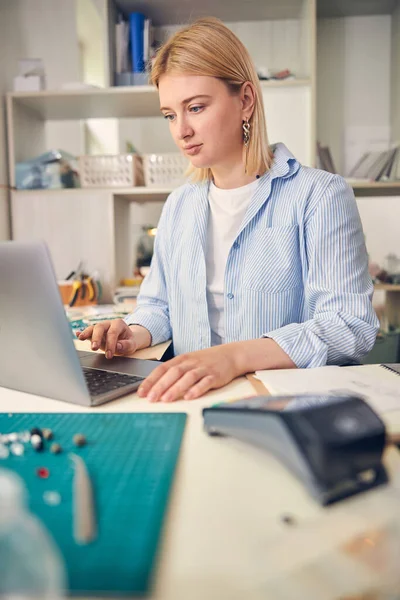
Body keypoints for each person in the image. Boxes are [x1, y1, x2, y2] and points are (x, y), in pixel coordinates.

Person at [78, 17, 379, 402]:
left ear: (246, 101)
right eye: (170, 114)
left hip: (281, 403)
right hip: (189, 396)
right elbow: (158, 306)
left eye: (196, 107)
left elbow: (348, 325)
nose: (181, 130)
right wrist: (132, 334)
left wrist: (233, 357)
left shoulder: (319, 196)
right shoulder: (179, 205)